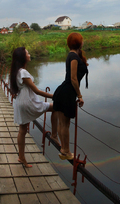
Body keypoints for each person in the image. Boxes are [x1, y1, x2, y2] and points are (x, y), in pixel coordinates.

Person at [10, 47, 59, 168]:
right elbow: (36, 91)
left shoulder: (16, 72)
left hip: (20, 102)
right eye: (27, 53)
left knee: (22, 130)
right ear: (23, 57)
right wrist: (55, 96)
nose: (29, 54)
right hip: (28, 102)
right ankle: (54, 135)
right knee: (56, 107)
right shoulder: (23, 72)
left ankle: (21, 157)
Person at [53, 32, 88, 160]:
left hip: (63, 92)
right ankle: (66, 151)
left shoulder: (73, 55)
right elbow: (73, 78)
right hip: (67, 92)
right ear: (78, 42)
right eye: (82, 40)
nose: (83, 42)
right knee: (65, 124)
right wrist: (79, 95)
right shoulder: (73, 57)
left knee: (62, 123)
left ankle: (63, 150)